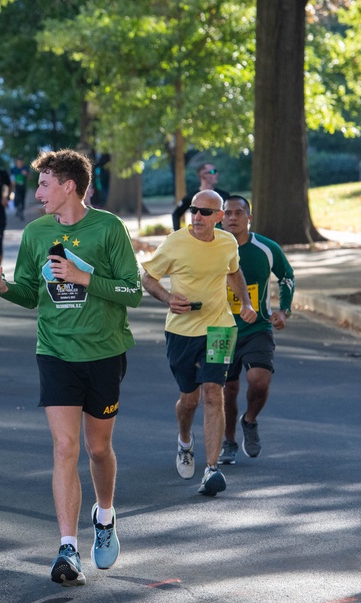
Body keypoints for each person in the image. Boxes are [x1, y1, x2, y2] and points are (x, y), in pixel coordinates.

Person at [0, 149, 142, 586]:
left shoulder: (108, 228)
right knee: (65, 448)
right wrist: (2, 286)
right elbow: (31, 293)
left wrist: (83, 277)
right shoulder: (35, 232)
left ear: (69, 186)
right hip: (55, 351)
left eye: (45, 184)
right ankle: (68, 548)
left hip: (104, 352)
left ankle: (104, 515)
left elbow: (133, 291)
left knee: (97, 450)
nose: (38, 192)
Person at [141, 189, 256, 498]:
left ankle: (211, 469)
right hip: (181, 331)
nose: (197, 217)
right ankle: (184, 440)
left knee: (213, 393)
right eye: (193, 210)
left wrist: (245, 302)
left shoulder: (227, 243)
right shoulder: (175, 242)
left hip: (219, 328)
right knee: (189, 400)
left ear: (219, 217)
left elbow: (234, 272)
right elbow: (148, 277)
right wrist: (167, 298)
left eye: (205, 212)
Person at [219, 196, 295, 464]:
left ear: (248, 218)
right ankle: (228, 440)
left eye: (238, 213)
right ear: (221, 217)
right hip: (220, 329)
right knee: (226, 390)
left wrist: (283, 311)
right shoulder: (211, 246)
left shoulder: (265, 247)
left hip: (257, 326)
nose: (232, 218)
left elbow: (286, 276)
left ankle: (249, 420)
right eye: (227, 213)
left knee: (259, 381)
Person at [171, 163, 230, 231]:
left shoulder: (224, 195)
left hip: (221, 237)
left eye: (216, 171)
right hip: (200, 237)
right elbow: (176, 214)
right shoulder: (192, 197)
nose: (216, 174)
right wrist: (177, 234)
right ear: (202, 175)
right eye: (213, 171)